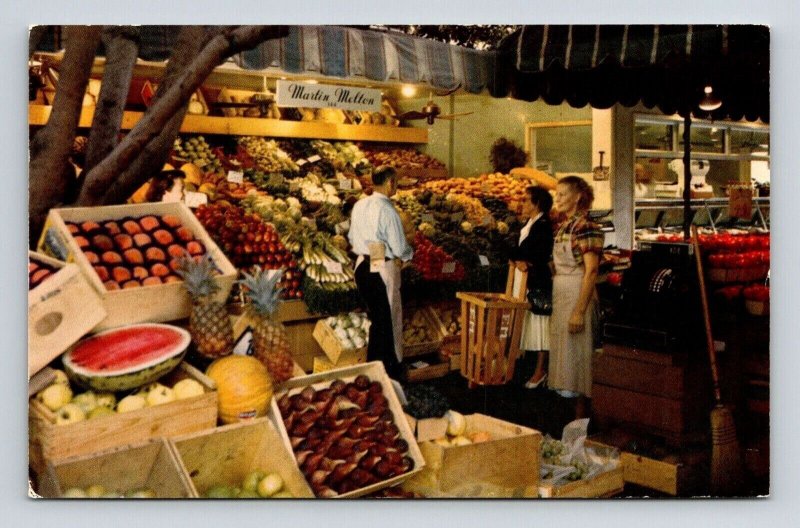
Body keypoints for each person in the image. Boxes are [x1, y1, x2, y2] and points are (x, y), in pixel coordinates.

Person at [348, 166, 413, 379]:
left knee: (377, 318)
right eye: (395, 182)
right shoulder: (388, 211)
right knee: (386, 322)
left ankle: (374, 369)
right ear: (389, 183)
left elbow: (351, 237)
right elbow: (399, 246)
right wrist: (408, 256)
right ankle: (386, 371)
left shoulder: (359, 204)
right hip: (381, 269)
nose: (395, 186)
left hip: (362, 266)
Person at [549, 176, 603, 419]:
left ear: (578, 196)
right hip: (562, 296)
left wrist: (579, 311)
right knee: (566, 366)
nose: (557, 199)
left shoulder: (586, 226)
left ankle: (581, 429)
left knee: (579, 370)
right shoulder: (564, 226)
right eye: (556, 194)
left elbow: (591, 271)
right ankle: (571, 430)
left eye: (562, 194)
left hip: (576, 298)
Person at [508, 186, 554, 389]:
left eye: (526, 200)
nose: (522, 203)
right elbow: (520, 251)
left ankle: (540, 370)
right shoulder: (530, 222)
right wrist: (517, 258)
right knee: (528, 325)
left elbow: (538, 254)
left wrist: (519, 257)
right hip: (524, 280)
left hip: (536, 282)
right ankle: (529, 368)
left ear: (537, 204)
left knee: (539, 327)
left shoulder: (543, 225)